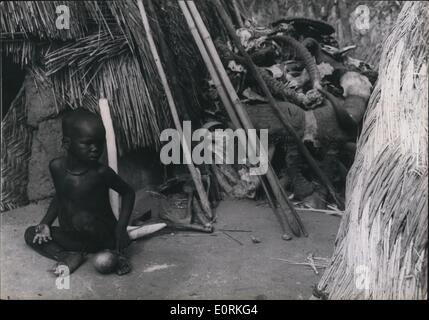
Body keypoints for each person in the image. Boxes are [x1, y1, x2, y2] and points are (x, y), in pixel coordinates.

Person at [24, 109, 139, 275]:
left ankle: (117, 254)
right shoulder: (56, 167)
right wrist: (45, 223)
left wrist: (121, 228)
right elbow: (61, 197)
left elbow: (128, 193)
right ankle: (67, 256)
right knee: (30, 234)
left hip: (102, 237)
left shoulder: (101, 173)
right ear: (66, 143)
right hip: (73, 238)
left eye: (100, 143)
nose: (95, 148)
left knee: (82, 219)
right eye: (88, 143)